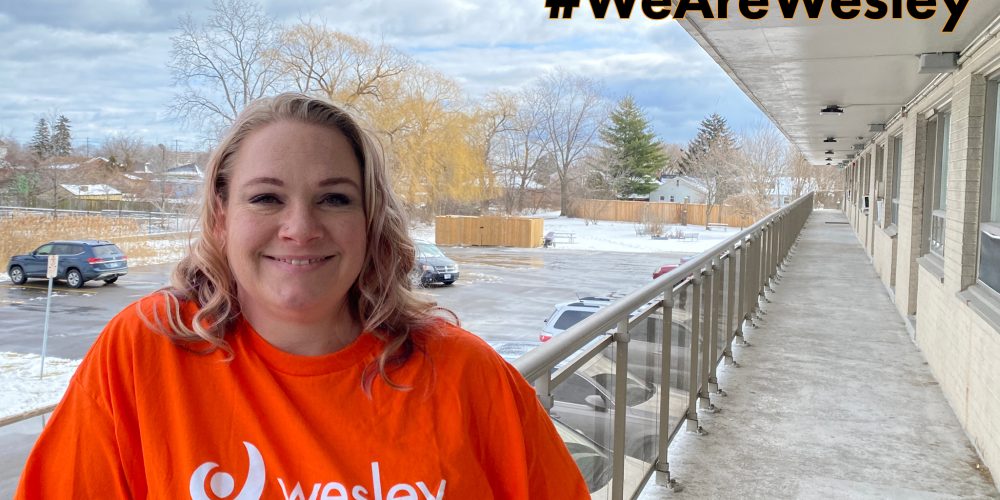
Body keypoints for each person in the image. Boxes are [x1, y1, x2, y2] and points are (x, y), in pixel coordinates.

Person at [16, 93, 589, 499]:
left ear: (371, 221)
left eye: (335, 199)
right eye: (266, 198)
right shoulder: (147, 350)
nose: (300, 228)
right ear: (221, 217)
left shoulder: (467, 375)